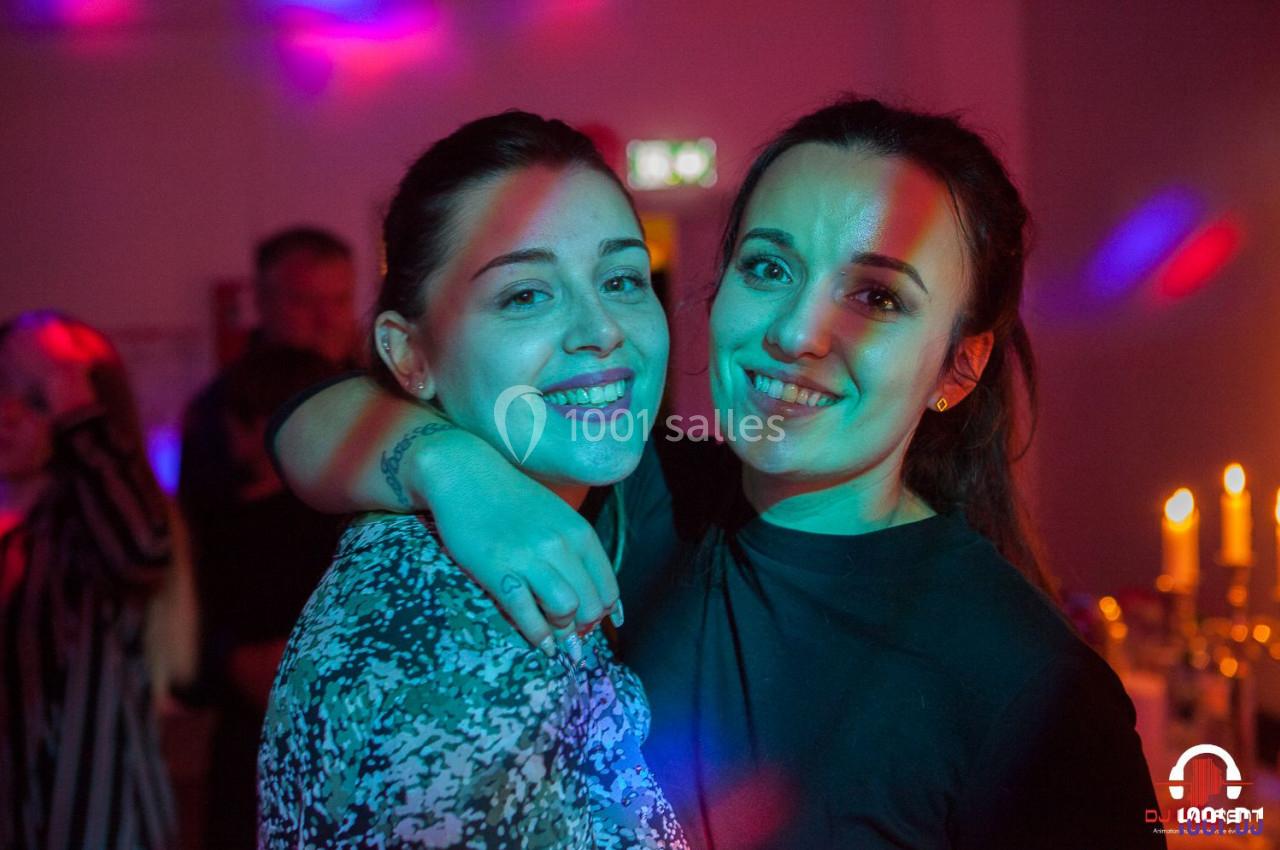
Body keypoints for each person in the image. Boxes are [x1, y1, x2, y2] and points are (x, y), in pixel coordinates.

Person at [273, 97, 1166, 849]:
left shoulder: (1032, 694)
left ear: (957, 369)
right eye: (769, 267)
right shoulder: (647, 494)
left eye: (876, 297)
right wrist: (454, 470)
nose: (796, 333)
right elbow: (307, 425)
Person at [257, 111, 687, 848]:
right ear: (409, 355)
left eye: (622, 278)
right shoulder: (445, 656)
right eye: (526, 294)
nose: (602, 328)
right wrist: (447, 467)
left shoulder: (642, 474)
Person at [177, 226, 357, 849]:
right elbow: (202, 559)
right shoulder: (224, 411)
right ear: (262, 299)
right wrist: (227, 654)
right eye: (304, 301)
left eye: (339, 300)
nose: (326, 319)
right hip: (256, 682)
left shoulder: (374, 394)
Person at [0, 311, 176, 849]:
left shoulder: (90, 522)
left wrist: (74, 406)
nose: (8, 415)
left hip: (97, 822)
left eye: (36, 399)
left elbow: (142, 549)